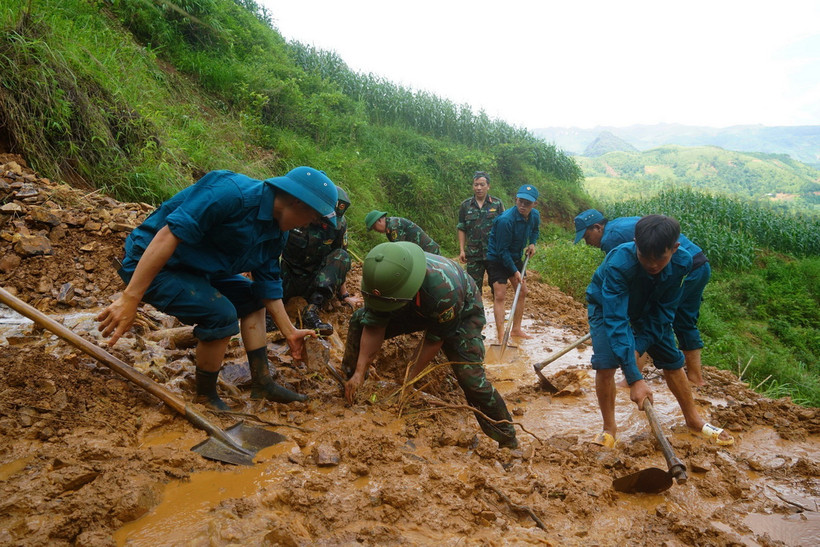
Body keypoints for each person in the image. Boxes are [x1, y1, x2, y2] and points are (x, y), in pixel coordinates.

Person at [96, 167, 339, 410]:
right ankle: (206, 396)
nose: (309, 225)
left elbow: (268, 285)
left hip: (198, 269)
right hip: (152, 263)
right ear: (297, 201)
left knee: (252, 297)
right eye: (313, 218)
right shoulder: (231, 194)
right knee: (221, 314)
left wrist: (290, 331)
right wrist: (130, 298)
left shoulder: (276, 232)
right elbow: (168, 235)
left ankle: (262, 382)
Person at [341, 241, 519, 449]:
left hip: (461, 313)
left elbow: (433, 341)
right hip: (408, 301)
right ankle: (350, 384)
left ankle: (507, 439)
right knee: (359, 321)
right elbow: (374, 325)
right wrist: (359, 372)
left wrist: (407, 381)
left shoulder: (444, 292)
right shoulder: (384, 280)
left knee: (471, 379)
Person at [586, 215, 733, 448]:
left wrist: (637, 348)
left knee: (672, 360)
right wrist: (635, 378)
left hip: (651, 307)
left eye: (660, 258)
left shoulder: (682, 262)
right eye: (645, 257)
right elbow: (617, 320)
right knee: (605, 362)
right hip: (606, 307)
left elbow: (665, 312)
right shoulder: (618, 263)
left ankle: (693, 419)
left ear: (674, 248)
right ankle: (609, 429)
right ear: (636, 244)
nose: (652, 264)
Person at [574, 209, 710, 386]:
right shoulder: (619, 223)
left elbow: (629, 279)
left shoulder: (611, 238)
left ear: (597, 227)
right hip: (700, 265)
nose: (588, 243)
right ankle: (695, 378)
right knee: (684, 322)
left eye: (586, 237)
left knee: (649, 317)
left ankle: (633, 376)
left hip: (677, 268)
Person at [280, 186, 362, 336]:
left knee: (343, 255)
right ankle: (270, 313)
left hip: (315, 281)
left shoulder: (340, 225)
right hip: (288, 277)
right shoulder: (297, 214)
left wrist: (344, 296)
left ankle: (312, 311)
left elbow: (339, 258)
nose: (327, 223)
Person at [485, 184, 540, 341]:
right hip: (496, 258)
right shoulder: (505, 220)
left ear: (534, 204)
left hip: (514, 256)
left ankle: (516, 329)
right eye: (520, 201)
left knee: (522, 291)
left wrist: (532, 243)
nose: (523, 206)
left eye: (527, 203)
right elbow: (502, 251)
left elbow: (535, 231)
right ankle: (502, 335)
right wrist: (515, 271)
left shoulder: (535, 215)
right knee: (500, 294)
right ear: (516, 199)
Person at [457, 171, 505, 290]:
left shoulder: (497, 204)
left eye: (482, 185)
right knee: (473, 290)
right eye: (476, 184)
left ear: (488, 186)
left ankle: (497, 309)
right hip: (473, 255)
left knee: (497, 288)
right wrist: (462, 250)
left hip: (493, 253)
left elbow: (504, 228)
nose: (478, 188)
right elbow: (461, 228)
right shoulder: (465, 206)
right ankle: (477, 309)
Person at [364, 210, 441, 254]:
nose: (375, 230)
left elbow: (399, 249)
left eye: (374, 227)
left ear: (379, 221)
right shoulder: (389, 230)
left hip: (429, 251)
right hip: (422, 253)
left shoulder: (394, 225)